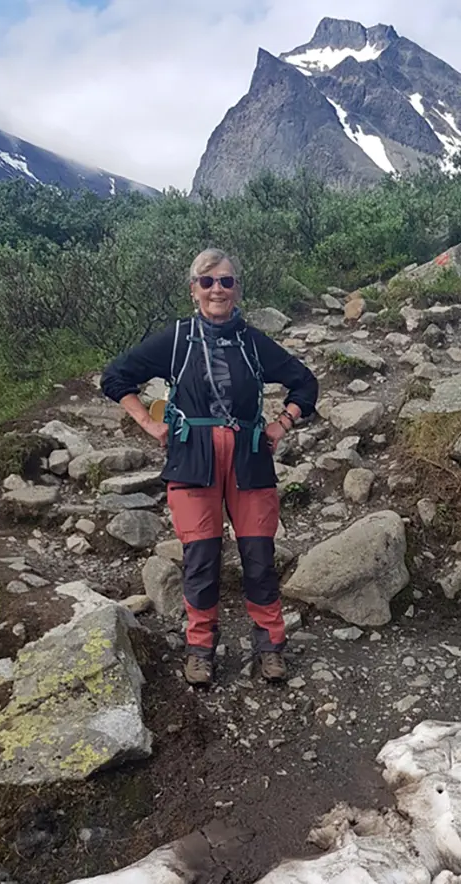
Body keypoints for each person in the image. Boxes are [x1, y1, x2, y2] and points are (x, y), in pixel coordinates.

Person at [101, 248, 318, 687]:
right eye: (207, 281)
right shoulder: (177, 339)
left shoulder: (253, 342)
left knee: (258, 557)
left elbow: (304, 382)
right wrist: (148, 422)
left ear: (237, 289)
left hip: (249, 455)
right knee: (200, 558)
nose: (217, 289)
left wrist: (282, 423)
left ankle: (270, 647)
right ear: (194, 289)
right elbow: (115, 377)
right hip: (192, 455)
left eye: (226, 281)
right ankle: (200, 650)